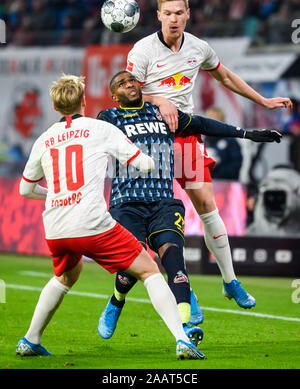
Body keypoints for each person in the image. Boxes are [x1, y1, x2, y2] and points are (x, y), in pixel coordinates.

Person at [15, 74, 207, 360]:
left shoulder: (44, 139)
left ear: (55, 107)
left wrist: (58, 194)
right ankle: (182, 340)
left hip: (56, 228)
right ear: (83, 101)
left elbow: (25, 189)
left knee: (66, 275)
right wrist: (152, 158)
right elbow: (143, 163)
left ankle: (30, 339)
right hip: (91, 223)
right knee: (149, 270)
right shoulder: (100, 128)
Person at [126, 0, 292, 309]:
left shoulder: (198, 48)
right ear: (158, 15)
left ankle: (230, 281)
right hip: (150, 139)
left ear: (188, 14)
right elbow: (127, 93)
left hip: (186, 136)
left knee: (207, 205)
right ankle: (184, 293)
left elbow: (225, 76)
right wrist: (158, 99)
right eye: (168, 13)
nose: (174, 19)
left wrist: (263, 100)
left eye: (179, 13)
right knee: (154, 219)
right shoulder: (142, 51)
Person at [97, 71, 282, 344]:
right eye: (122, 84)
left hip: (162, 200)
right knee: (133, 266)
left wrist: (247, 134)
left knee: (174, 260)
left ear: (140, 85)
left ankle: (184, 328)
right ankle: (117, 300)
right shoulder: (108, 118)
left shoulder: (162, 114)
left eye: (132, 81)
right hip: (127, 202)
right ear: (115, 96)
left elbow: (202, 124)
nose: (129, 85)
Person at [203, 107, 242, 180]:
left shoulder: (230, 141)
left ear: (222, 121)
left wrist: (215, 168)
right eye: (208, 119)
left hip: (225, 184)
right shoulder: (202, 141)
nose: (211, 123)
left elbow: (235, 166)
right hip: (205, 185)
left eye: (215, 119)